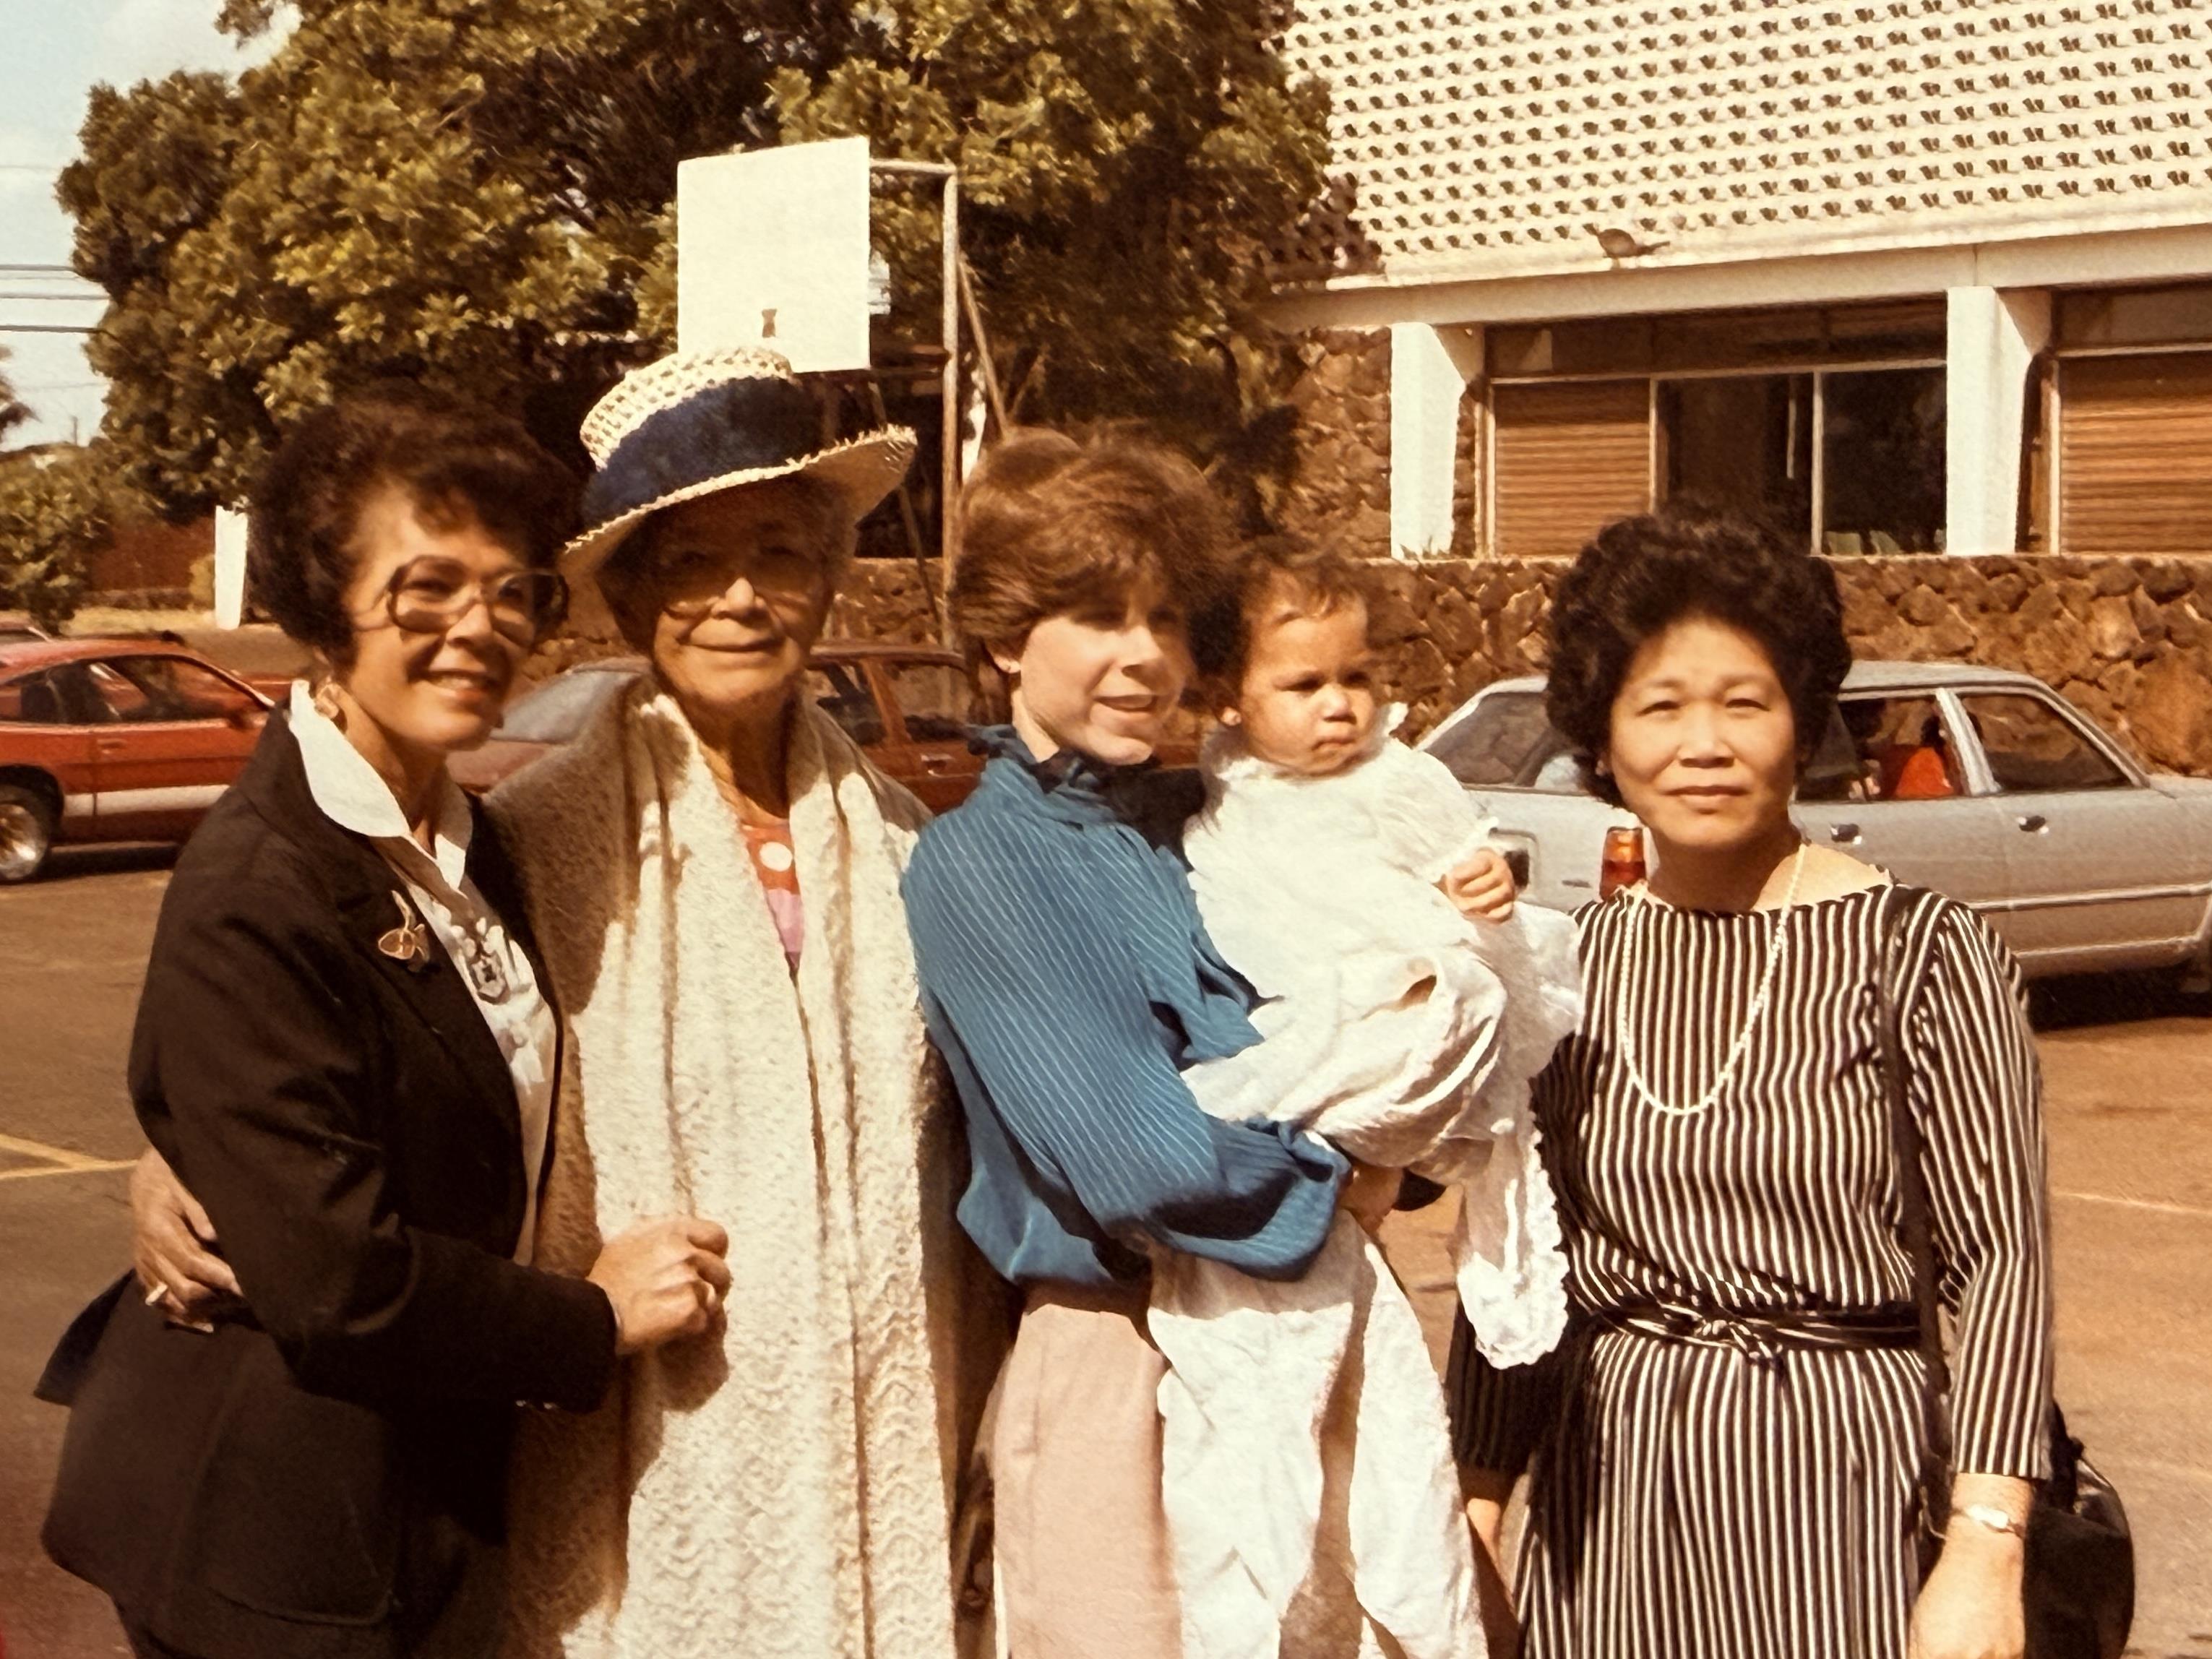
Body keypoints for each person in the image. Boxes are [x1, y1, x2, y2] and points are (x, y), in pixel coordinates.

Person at [40, 384, 731, 1659]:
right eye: (425, 589)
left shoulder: (483, 847)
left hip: (430, 1503)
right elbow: (336, 1285)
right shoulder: (262, 884)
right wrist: (592, 1317)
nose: (477, 628)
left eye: (511, 591)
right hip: (279, 1534)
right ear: (323, 608)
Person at [900, 431, 1512, 1659]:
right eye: (1091, 616)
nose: (1143, 656)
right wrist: (1350, 1178)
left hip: (1304, 1319)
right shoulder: (983, 861)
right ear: (1005, 639)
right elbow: (1142, 1161)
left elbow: (1363, 999)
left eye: (1168, 618)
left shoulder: (1194, 819)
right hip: (1121, 1357)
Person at [1450, 507, 2053, 1659]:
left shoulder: (1918, 951)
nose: (1704, 744)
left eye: (1744, 701)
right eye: (1660, 705)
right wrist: (1475, 1507)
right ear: (1602, 736)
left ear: (1801, 721)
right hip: (1612, 1505)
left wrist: (1985, 1541)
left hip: (1849, 1496)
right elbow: (1518, 1256)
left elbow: (2000, 1262)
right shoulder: (1566, 967)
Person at [483, 346, 997, 1659]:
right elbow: (395, 1059)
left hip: (885, 1423)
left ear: (828, 576)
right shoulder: (536, 841)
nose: (738, 597)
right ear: (632, 588)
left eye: (778, 550)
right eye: (690, 558)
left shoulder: (897, 838)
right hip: (651, 1442)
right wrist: (179, 1161)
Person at [1146, 534, 1583, 1658]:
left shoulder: (1403, 776)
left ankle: (1341, 1148)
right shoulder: (1218, 788)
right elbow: (1237, 916)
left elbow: (1467, 886)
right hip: (1300, 1015)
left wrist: (1482, 891)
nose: (1339, 707)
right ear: (1231, 697)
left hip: (1402, 1000)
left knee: (1453, 1006)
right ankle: (1315, 1150)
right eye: (1303, 686)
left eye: (1357, 678)